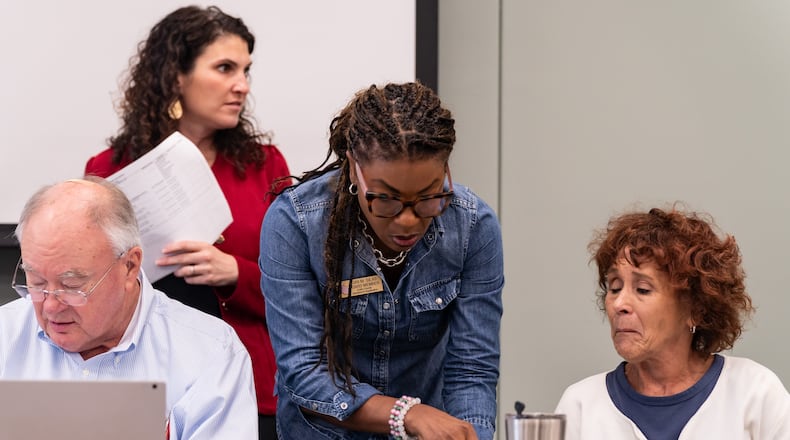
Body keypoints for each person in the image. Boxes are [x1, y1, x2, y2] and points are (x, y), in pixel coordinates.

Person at [83, 6, 290, 437]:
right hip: (150, 381)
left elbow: (303, 285)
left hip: (256, 383)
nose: (242, 86)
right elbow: (88, 284)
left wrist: (236, 272)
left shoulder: (265, 166)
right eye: (225, 68)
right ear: (176, 76)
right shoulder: (108, 169)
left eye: (246, 71)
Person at [259, 81, 504, 439]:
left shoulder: (473, 227)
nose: (408, 220)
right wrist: (406, 414)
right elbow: (303, 370)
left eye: (428, 197)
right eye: (386, 199)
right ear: (354, 169)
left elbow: (472, 369)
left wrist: (470, 434)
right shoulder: (295, 223)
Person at [0, 177, 257, 439]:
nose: (51, 306)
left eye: (71, 285)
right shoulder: (6, 335)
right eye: (36, 282)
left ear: (129, 266)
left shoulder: (210, 353)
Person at [555, 206, 790, 439]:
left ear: (695, 308)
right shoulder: (580, 407)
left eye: (643, 289)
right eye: (615, 287)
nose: (619, 304)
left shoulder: (756, 394)